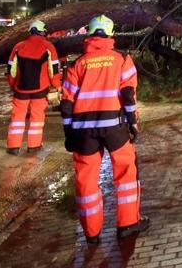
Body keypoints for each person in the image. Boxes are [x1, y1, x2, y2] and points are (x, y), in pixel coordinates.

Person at [61, 15, 148, 244]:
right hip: (115, 127)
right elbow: (128, 95)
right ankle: (128, 224)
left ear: (89, 34)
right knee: (126, 173)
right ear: (111, 34)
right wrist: (133, 121)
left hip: (83, 130)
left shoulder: (78, 64)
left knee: (86, 179)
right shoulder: (122, 59)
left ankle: (91, 233)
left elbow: (66, 103)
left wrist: (68, 133)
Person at [5, 20, 61, 154]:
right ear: (43, 32)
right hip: (40, 89)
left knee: (17, 118)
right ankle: (34, 146)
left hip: (20, 89)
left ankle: (13, 146)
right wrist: (56, 85)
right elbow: (53, 70)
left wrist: (13, 85)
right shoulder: (48, 47)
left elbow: (11, 70)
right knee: (37, 118)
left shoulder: (18, 46)